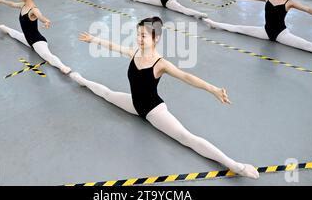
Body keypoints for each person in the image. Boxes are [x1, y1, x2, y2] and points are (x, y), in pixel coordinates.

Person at [69, 17, 259, 179]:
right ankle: (81, 79)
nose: (139, 39)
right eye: (138, 34)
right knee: (107, 94)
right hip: (135, 105)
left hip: (154, 110)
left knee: (186, 137)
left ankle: (235, 165)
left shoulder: (161, 64)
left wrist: (214, 89)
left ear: (156, 38)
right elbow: (114, 46)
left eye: (143, 35)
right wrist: (93, 39)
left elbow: (186, 77)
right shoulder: (134, 53)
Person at [0, 0, 72, 74]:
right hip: (28, 39)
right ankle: (6, 28)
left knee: (46, 55)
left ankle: (62, 66)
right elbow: (12, 4)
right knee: (16, 35)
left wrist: (46, 21)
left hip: (37, 41)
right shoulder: (23, 5)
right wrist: (3, 1)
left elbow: (40, 16)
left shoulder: (33, 9)